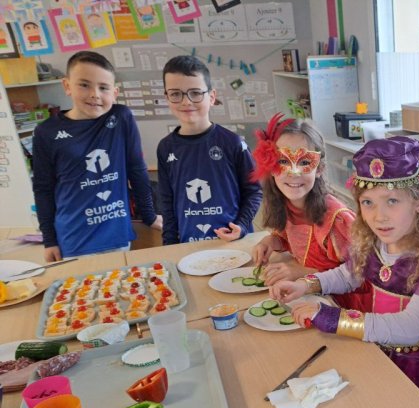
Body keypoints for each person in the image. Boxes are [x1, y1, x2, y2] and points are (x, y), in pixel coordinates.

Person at [270, 137, 419, 408]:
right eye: (368, 202)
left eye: (392, 201)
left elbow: (411, 328)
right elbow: (349, 275)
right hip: (378, 349)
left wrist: (330, 317)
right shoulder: (377, 238)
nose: (379, 216)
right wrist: (306, 284)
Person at [32, 51, 161, 261]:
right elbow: (43, 188)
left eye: (103, 87)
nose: (95, 94)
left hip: (117, 235)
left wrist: (149, 215)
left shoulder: (121, 118)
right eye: (84, 85)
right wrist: (49, 240)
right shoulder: (46, 132)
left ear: (115, 92)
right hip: (74, 239)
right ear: (67, 86)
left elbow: (136, 169)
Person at [250, 113, 370, 311]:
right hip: (307, 300)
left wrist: (301, 271)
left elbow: (363, 274)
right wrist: (272, 241)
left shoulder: (338, 220)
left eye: (305, 162)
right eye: (283, 161)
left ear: (319, 168)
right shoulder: (287, 204)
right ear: (270, 165)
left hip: (343, 309)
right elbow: (294, 240)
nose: (294, 172)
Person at [157, 55, 261, 244]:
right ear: (167, 98)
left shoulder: (232, 143)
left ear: (211, 97)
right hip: (188, 245)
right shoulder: (165, 148)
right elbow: (167, 202)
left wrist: (242, 225)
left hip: (232, 243)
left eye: (195, 93)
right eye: (175, 94)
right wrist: (169, 245)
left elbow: (254, 191)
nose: (186, 101)